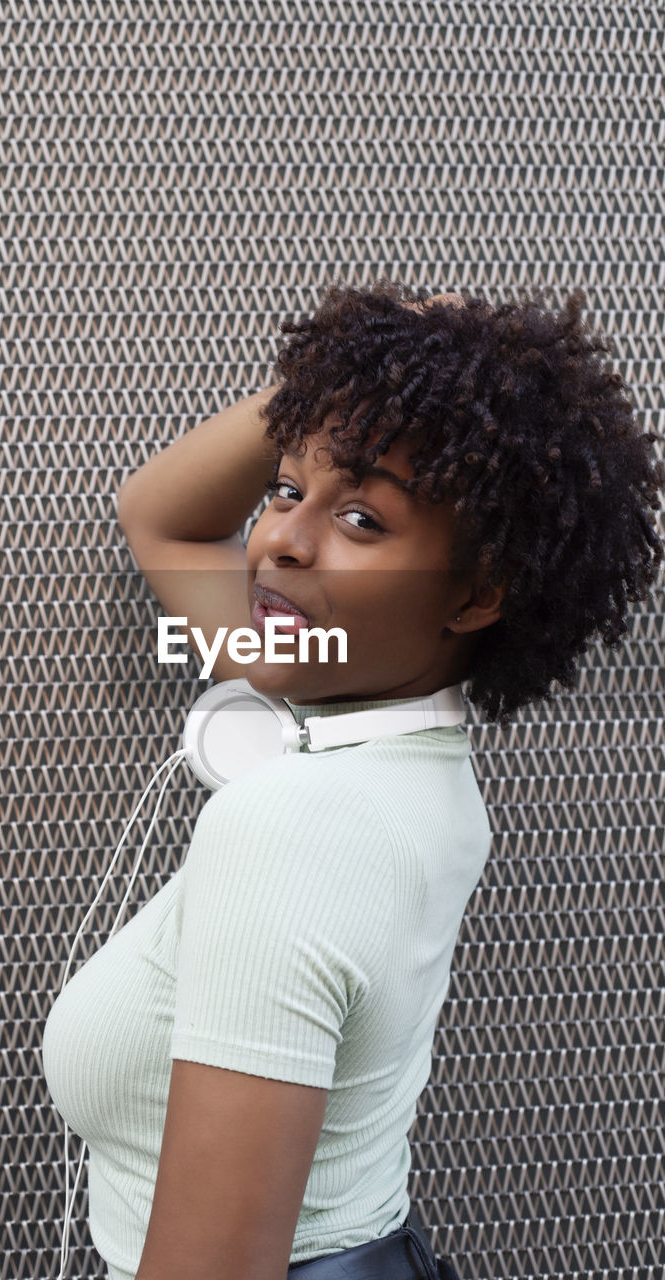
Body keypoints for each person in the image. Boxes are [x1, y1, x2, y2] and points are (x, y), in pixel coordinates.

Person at [40, 278, 664, 1280]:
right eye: (286, 489)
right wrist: (334, 384)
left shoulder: (295, 823)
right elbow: (160, 516)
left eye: (363, 518)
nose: (282, 537)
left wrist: (338, 398)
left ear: (477, 593)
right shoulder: (402, 751)